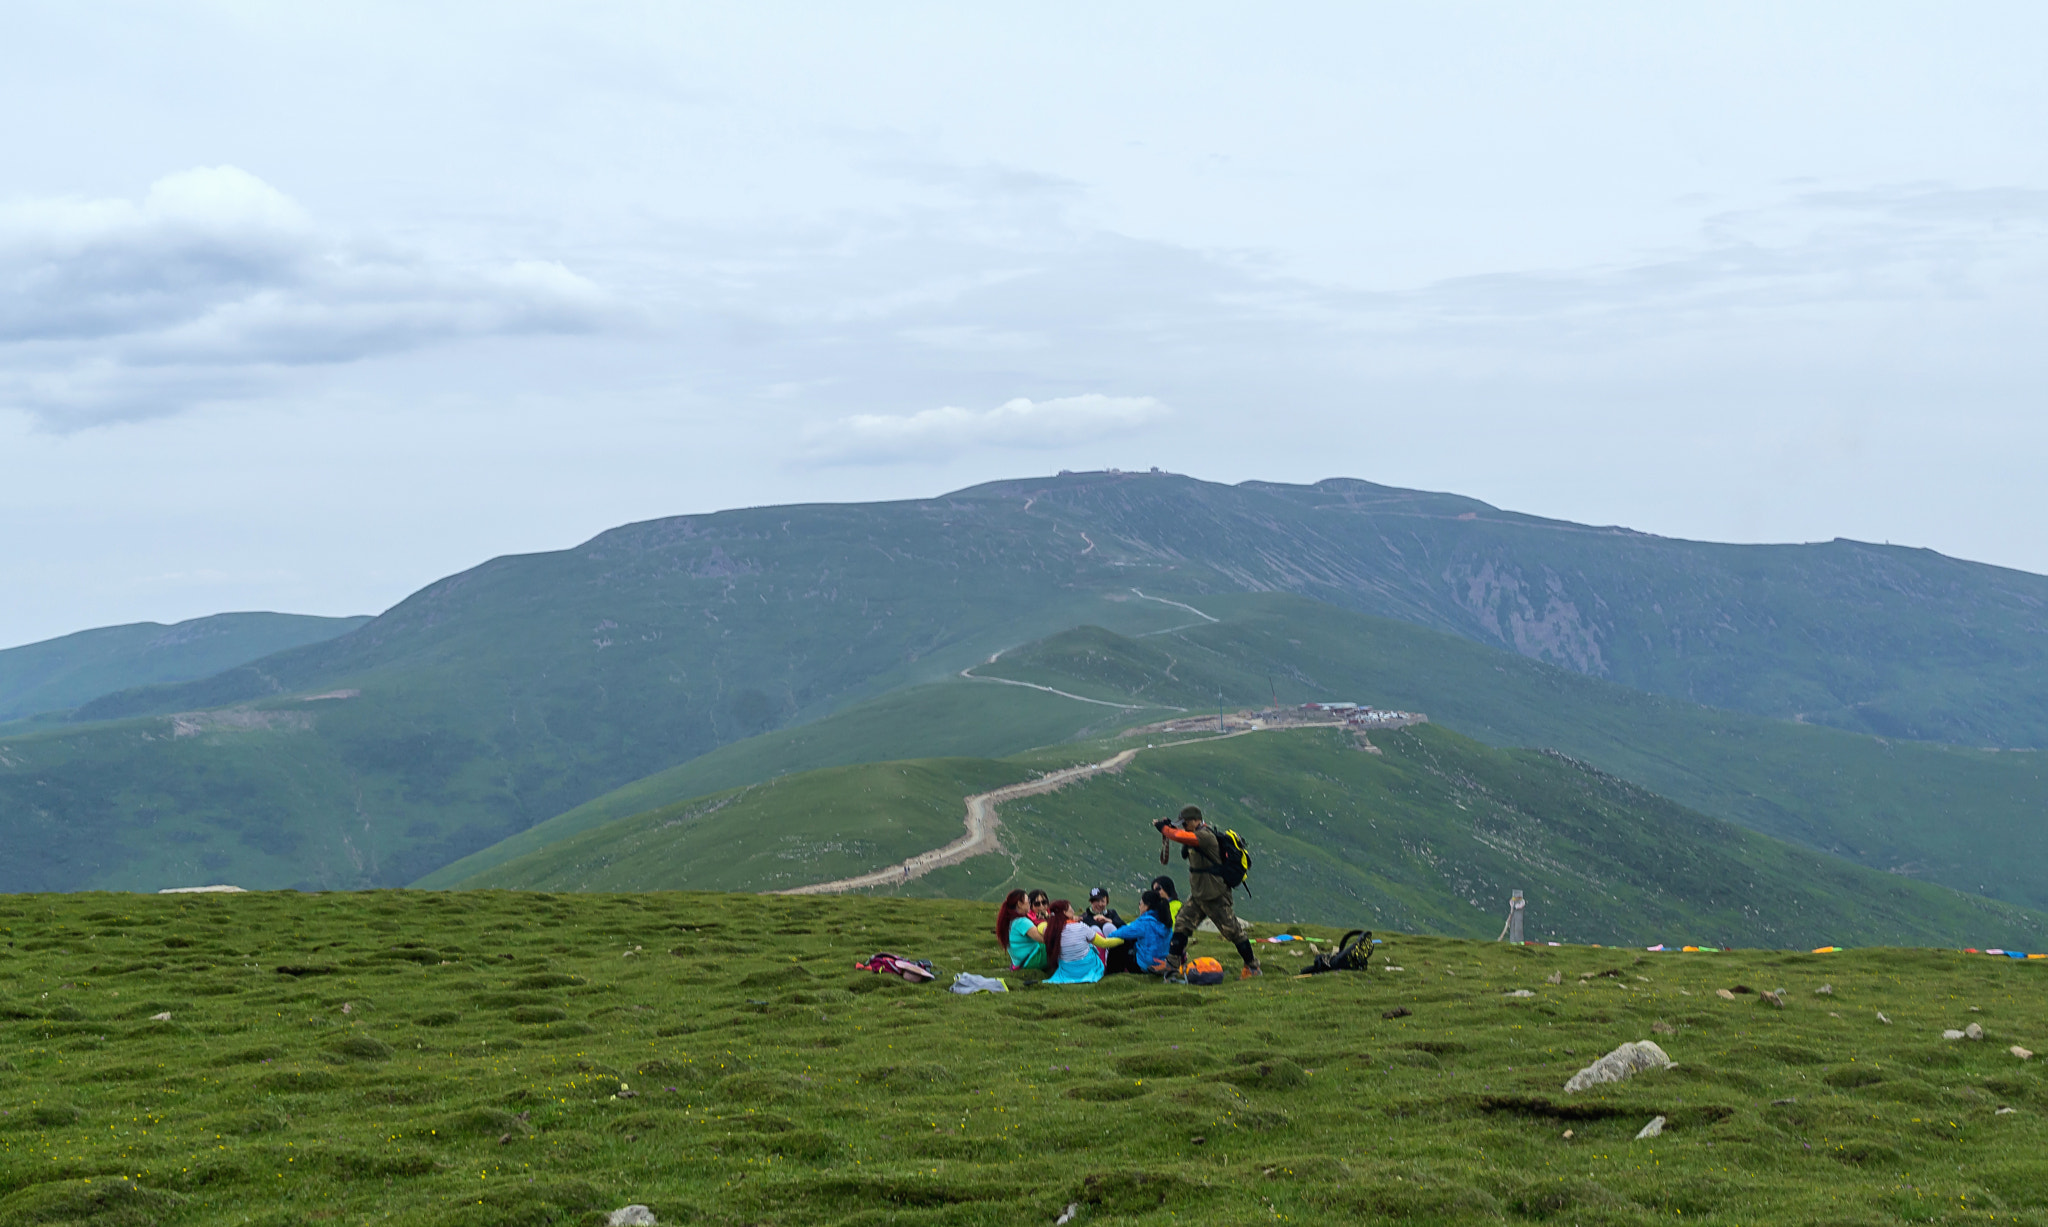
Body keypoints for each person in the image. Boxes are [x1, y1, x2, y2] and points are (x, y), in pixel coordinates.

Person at [1152, 805, 1261, 979]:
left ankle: (1252, 967)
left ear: (1196, 820)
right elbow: (1182, 835)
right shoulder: (1193, 834)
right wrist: (1170, 827)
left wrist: (1164, 829)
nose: (1184, 826)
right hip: (1199, 894)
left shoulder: (1205, 836)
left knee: (1233, 931)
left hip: (1215, 895)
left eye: (1186, 823)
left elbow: (1180, 836)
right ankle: (1172, 964)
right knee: (1182, 923)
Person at [1041, 899, 1124, 985]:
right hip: (1086, 968)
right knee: (1093, 945)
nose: (1073, 911)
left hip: (1068, 969)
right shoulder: (1081, 927)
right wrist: (1122, 939)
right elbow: (1104, 943)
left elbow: (1040, 927)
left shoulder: (1051, 930)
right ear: (1065, 913)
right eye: (1071, 909)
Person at [1101, 889, 1173, 974]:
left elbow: (1117, 934)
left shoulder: (1145, 922)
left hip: (1144, 967)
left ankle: (1111, 973)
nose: (1139, 906)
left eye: (1140, 903)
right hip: (1162, 965)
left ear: (1146, 906)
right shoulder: (1166, 922)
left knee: (1121, 942)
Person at [997, 889, 1047, 971]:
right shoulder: (1022, 922)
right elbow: (1044, 939)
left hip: (1020, 962)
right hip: (1032, 959)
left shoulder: (1011, 920)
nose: (1029, 903)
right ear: (1019, 904)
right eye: (1028, 900)